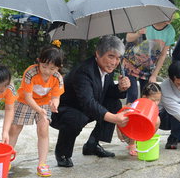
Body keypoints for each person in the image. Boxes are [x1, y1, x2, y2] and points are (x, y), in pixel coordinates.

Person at [51, 36, 130, 167]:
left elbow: (108, 92)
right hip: (61, 111)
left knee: (114, 103)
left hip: (84, 109)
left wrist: (120, 88)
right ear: (98, 53)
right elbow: (88, 103)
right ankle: (62, 153)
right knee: (77, 118)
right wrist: (115, 118)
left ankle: (92, 145)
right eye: (111, 56)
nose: (115, 62)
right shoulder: (84, 72)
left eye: (118, 58)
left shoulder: (107, 69)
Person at [9, 45, 65, 177]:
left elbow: (56, 97)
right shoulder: (31, 73)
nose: (47, 71)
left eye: (52, 68)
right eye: (44, 66)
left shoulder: (57, 78)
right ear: (38, 61)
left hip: (44, 103)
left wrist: (54, 105)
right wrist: (39, 110)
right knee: (15, 128)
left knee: (43, 128)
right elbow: (28, 97)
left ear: (58, 67)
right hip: (25, 101)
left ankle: (42, 163)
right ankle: (6, 158)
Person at [123, 19, 175, 103]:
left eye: (172, 14)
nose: (171, 17)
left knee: (147, 97)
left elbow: (162, 55)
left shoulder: (170, 31)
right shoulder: (146, 21)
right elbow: (128, 38)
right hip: (130, 65)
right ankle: (128, 115)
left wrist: (154, 75)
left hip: (147, 69)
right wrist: (138, 33)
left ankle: (143, 115)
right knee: (133, 94)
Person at [117, 83, 162, 156]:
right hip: (128, 133)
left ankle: (143, 142)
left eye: (158, 100)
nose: (156, 103)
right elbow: (122, 118)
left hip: (140, 133)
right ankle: (133, 145)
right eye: (153, 100)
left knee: (157, 119)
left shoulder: (151, 108)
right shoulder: (138, 105)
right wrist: (132, 145)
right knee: (137, 121)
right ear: (144, 97)